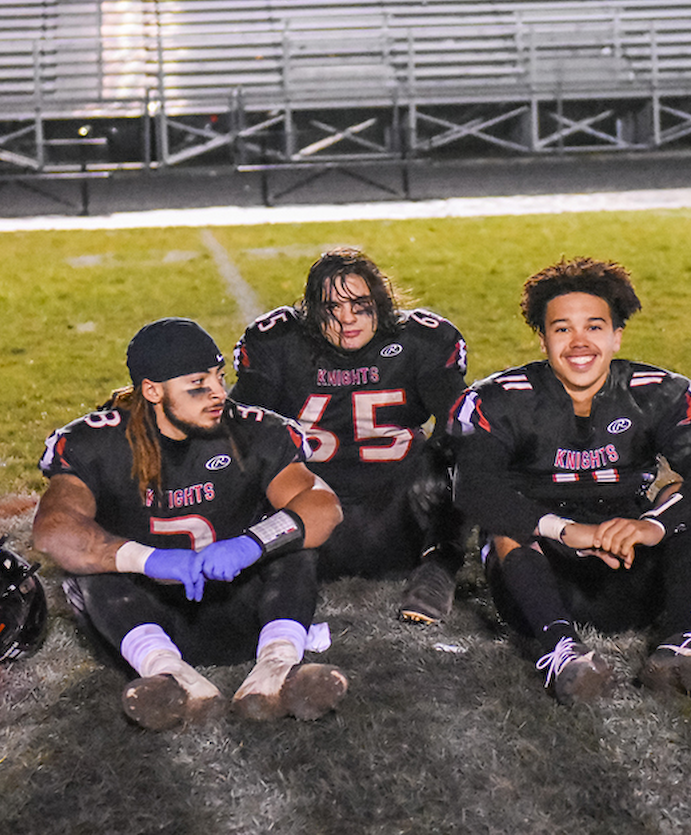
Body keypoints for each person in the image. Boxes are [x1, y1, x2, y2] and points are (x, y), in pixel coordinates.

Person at [449, 257, 691, 704]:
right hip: (543, 568)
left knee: (677, 496)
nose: (579, 342)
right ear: (543, 338)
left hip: (628, 556)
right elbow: (474, 487)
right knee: (504, 523)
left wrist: (651, 526)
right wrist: (567, 530)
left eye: (594, 327)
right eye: (562, 328)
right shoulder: (501, 400)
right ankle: (561, 651)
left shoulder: (657, 392)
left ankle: (681, 640)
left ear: (616, 335)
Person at [33, 317, 348, 729]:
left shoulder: (253, 431)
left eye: (219, 377)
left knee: (293, 541)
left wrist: (252, 544)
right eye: (198, 384)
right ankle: (169, 678)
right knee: (90, 565)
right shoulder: (98, 442)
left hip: (242, 611)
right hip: (144, 615)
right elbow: (54, 530)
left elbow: (324, 506)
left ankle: (277, 669)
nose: (218, 392)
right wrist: (147, 560)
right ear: (153, 391)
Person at [231, 249, 469, 624]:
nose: (347, 319)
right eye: (332, 308)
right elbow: (237, 431)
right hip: (312, 512)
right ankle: (279, 575)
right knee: (243, 462)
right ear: (312, 310)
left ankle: (437, 567)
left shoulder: (421, 342)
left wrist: (439, 467)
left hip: (398, 514)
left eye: (359, 305)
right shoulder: (278, 344)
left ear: (380, 302)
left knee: (466, 445)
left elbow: (459, 422)